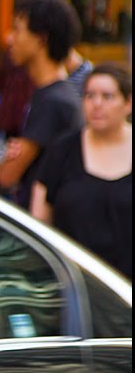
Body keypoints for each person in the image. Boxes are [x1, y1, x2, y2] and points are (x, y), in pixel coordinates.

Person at [31, 64, 131, 279]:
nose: (97, 104)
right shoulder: (62, 150)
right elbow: (39, 222)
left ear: (128, 103)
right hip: (76, 289)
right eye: (89, 96)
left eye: (108, 96)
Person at [0, 0, 84, 209]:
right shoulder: (50, 94)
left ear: (41, 40)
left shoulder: (54, 102)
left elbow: (7, 175)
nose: (9, 38)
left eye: (17, 29)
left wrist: (10, 156)